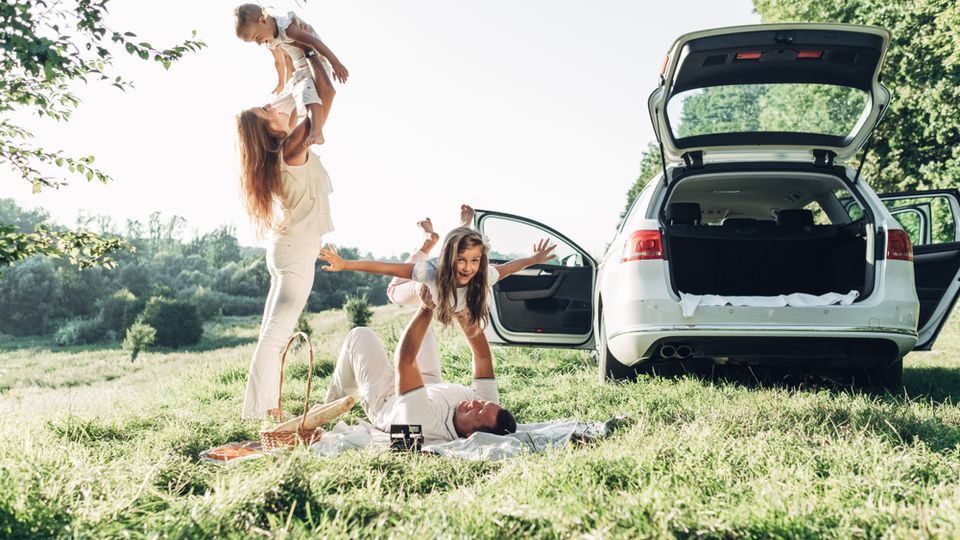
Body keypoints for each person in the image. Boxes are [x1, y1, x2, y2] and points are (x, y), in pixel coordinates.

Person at [318, 227, 556, 441]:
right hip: (428, 384)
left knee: (360, 335)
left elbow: (405, 361)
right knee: (426, 333)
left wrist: (425, 309)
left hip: (387, 399)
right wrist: (466, 321)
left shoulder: (424, 422)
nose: (476, 402)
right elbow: (483, 356)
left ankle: (327, 406)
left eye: (477, 412)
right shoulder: (490, 408)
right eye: (483, 403)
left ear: (472, 435)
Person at [235, 54, 336, 419]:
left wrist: (297, 63)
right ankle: (259, 414)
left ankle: (268, 409)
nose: (271, 107)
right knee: (275, 336)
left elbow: (300, 100)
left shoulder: (284, 148)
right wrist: (308, 52)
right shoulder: (290, 148)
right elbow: (326, 94)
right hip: (294, 253)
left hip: (287, 249)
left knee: (272, 334)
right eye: (266, 111)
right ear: (267, 129)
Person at [234, 4, 349, 146]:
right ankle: (275, 140)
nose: (258, 43)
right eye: (254, 41)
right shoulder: (269, 40)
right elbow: (279, 61)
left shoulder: (286, 28)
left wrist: (335, 63)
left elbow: (313, 42)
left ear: (262, 21)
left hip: (315, 63)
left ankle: (316, 131)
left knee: (306, 94)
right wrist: (281, 83)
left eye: (257, 37)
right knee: (275, 108)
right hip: (299, 71)